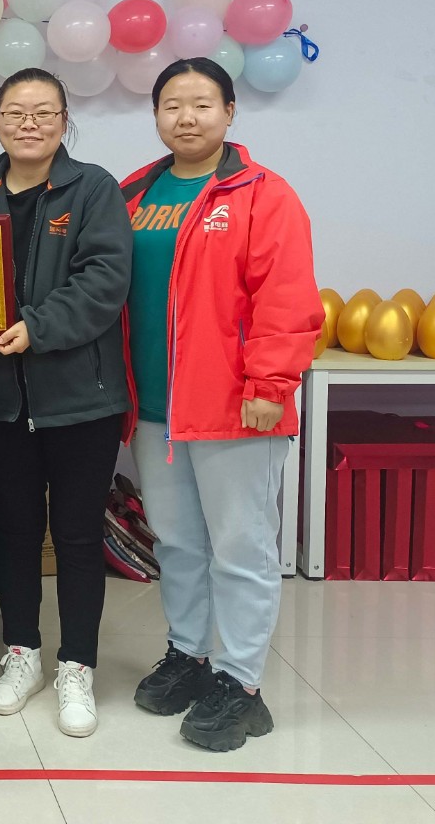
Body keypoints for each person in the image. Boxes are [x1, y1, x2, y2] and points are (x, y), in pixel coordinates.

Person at [121, 57, 322, 753]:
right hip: (155, 408)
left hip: (236, 406)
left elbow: (287, 297)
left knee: (240, 546)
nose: (187, 117)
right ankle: (190, 653)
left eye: (202, 103)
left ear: (230, 112)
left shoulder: (263, 195)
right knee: (177, 541)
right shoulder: (135, 193)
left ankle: (241, 682)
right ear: (156, 115)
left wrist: (270, 385)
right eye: (172, 104)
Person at [0, 68, 133, 738]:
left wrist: (36, 327)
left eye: (44, 112)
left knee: (78, 537)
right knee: (15, 532)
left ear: (64, 122)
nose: (30, 123)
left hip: (82, 401)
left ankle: (77, 665)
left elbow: (105, 281)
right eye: (16, 112)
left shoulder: (94, 190)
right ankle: (22, 652)